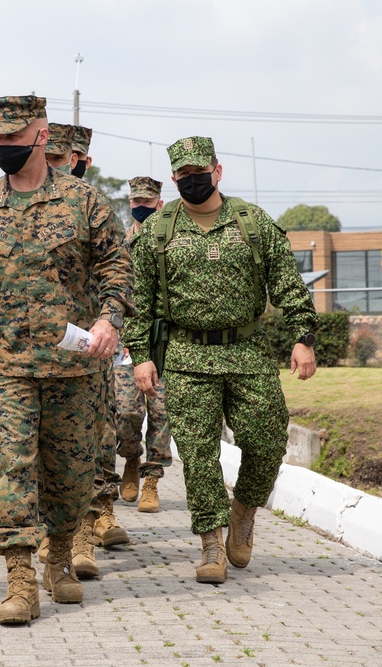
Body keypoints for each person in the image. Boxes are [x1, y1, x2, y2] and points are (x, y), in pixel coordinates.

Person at [0, 95, 133, 625]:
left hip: (73, 366)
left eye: (13, 139)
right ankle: (21, 579)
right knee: (13, 467)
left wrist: (109, 319)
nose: (4, 148)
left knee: (70, 474)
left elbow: (117, 265)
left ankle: (62, 553)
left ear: (41, 137)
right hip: (1, 364)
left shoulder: (83, 201)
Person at [122, 136, 318, 585]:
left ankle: (244, 509)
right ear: (173, 179)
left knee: (268, 441)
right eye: (184, 175)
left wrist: (302, 338)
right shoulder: (158, 230)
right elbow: (139, 301)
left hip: (248, 351)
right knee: (198, 453)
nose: (193, 181)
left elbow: (287, 282)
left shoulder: (252, 222)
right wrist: (140, 357)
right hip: (187, 355)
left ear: (218, 170)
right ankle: (212, 544)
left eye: (200, 172)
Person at [39, 122, 132, 580]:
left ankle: (96, 517)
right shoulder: (21, 203)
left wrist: (114, 326)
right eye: (50, 158)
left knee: (97, 436)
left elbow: (119, 274)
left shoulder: (94, 209)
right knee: (42, 445)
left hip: (90, 348)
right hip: (37, 352)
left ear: (79, 160)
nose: (55, 168)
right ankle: (50, 526)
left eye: (63, 159)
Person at [114, 176, 174, 513]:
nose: (141, 208)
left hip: (165, 342)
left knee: (162, 413)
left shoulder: (172, 240)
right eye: (136, 202)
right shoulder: (120, 243)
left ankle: (151, 479)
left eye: (147, 203)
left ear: (159, 205)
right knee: (126, 411)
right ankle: (131, 458)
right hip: (126, 344)